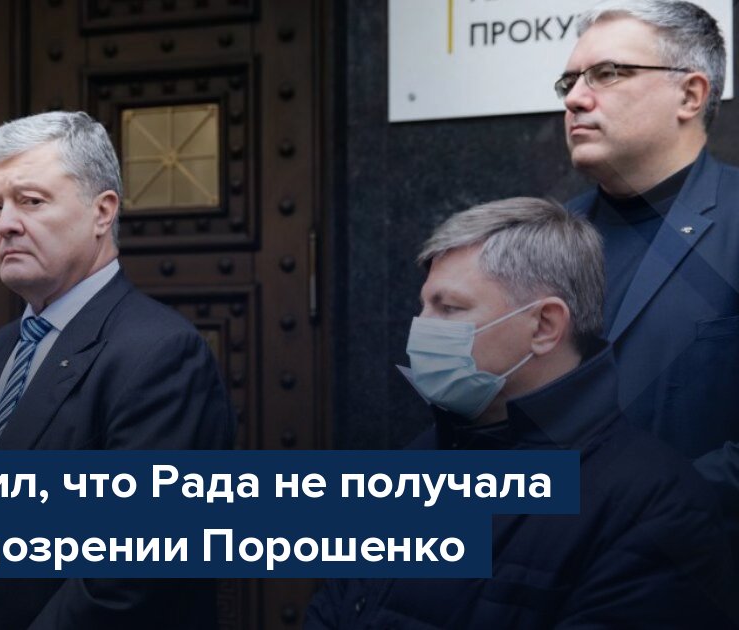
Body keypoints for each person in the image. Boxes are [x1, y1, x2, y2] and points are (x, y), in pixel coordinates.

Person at [306, 198, 737, 628]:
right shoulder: (414, 463)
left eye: (449, 308)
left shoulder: (654, 509)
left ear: (545, 326)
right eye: (424, 306)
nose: (421, 328)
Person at [0, 111, 235, 629]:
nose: (5, 224)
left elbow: (131, 570)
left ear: (102, 212)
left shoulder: (162, 354)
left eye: (31, 201)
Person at [559, 0, 739, 515]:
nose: (574, 99)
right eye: (568, 82)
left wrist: (633, 509)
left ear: (689, 94)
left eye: (607, 74)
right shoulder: (547, 238)